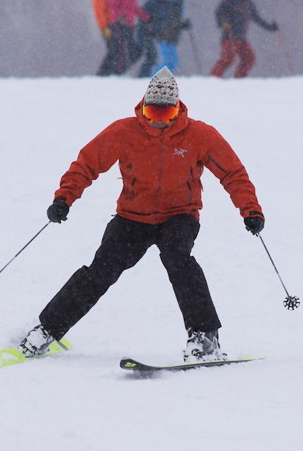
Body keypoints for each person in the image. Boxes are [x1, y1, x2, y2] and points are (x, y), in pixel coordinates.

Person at [18, 67, 266, 363]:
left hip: (179, 215)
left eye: (165, 115)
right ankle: (47, 330)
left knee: (179, 260)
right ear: (142, 108)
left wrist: (250, 210)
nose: (157, 121)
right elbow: (86, 165)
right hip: (132, 217)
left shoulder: (200, 135)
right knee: (101, 270)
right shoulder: (124, 132)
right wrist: (64, 198)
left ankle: (204, 337)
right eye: (151, 113)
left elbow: (233, 174)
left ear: (177, 110)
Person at [210, 0, 278, 78]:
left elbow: (256, 18)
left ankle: (239, 80)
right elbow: (219, 13)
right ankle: (213, 78)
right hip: (229, 37)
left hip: (241, 38)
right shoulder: (230, 0)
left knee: (249, 58)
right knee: (228, 60)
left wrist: (269, 27)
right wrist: (223, 22)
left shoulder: (248, 3)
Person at [136, 0, 191, 77]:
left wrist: (182, 25)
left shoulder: (170, 4)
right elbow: (145, 16)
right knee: (167, 61)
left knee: (170, 61)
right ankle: (153, 77)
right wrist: (148, 26)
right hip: (162, 36)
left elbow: (171, 22)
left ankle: (153, 77)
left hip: (166, 36)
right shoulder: (156, 3)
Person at [108, 0, 149, 74]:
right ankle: (116, 73)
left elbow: (134, 7)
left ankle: (120, 71)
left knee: (134, 50)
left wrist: (146, 17)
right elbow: (113, 4)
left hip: (129, 24)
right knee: (121, 49)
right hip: (118, 23)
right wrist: (119, 16)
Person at [92, 0, 117, 76]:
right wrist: (104, 27)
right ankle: (102, 74)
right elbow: (99, 11)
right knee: (113, 50)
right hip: (108, 25)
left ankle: (111, 73)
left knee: (119, 50)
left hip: (118, 24)